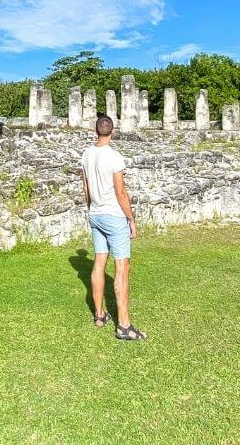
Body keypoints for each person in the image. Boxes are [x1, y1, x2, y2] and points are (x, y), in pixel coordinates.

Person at [81, 114, 145, 341]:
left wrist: (92, 208)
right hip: (114, 216)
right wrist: (131, 219)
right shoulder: (115, 157)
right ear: (113, 131)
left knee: (99, 262)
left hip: (96, 213)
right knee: (122, 267)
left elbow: (86, 187)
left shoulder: (87, 154)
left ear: (95, 131)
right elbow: (121, 192)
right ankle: (124, 326)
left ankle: (99, 315)